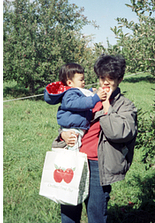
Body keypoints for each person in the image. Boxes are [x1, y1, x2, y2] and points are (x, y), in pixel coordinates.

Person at [53, 55, 138, 223]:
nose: (105, 83)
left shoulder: (125, 106)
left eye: (110, 79)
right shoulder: (88, 97)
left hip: (99, 166)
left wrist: (107, 105)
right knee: (69, 212)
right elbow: (69, 120)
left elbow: (118, 133)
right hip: (74, 160)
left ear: (119, 79)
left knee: (96, 214)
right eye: (101, 78)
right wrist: (62, 135)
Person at [44, 63, 107, 150]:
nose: (84, 82)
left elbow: (80, 96)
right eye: (81, 80)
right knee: (73, 148)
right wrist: (96, 97)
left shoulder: (73, 92)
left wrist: (90, 91)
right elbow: (79, 103)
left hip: (76, 128)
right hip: (73, 129)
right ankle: (70, 163)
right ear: (70, 82)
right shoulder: (69, 94)